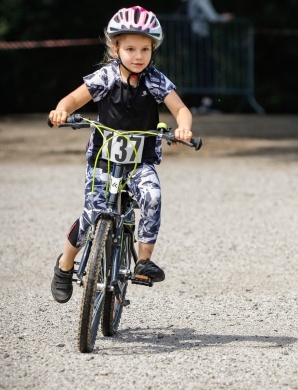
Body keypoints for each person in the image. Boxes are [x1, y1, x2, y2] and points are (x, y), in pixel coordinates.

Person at [49, 6, 193, 303]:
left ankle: (143, 261)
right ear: (115, 48)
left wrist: (184, 129)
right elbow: (74, 98)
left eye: (145, 49)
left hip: (140, 162)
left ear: (153, 49)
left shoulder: (154, 80)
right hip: (104, 160)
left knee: (152, 196)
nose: (138, 56)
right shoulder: (105, 77)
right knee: (91, 215)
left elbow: (180, 109)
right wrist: (62, 110)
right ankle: (64, 267)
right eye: (130, 48)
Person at [178, 0, 234, 114]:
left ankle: (200, 103)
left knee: (200, 71)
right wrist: (225, 18)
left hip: (192, 38)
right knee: (206, 71)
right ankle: (204, 103)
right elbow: (213, 17)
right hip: (200, 38)